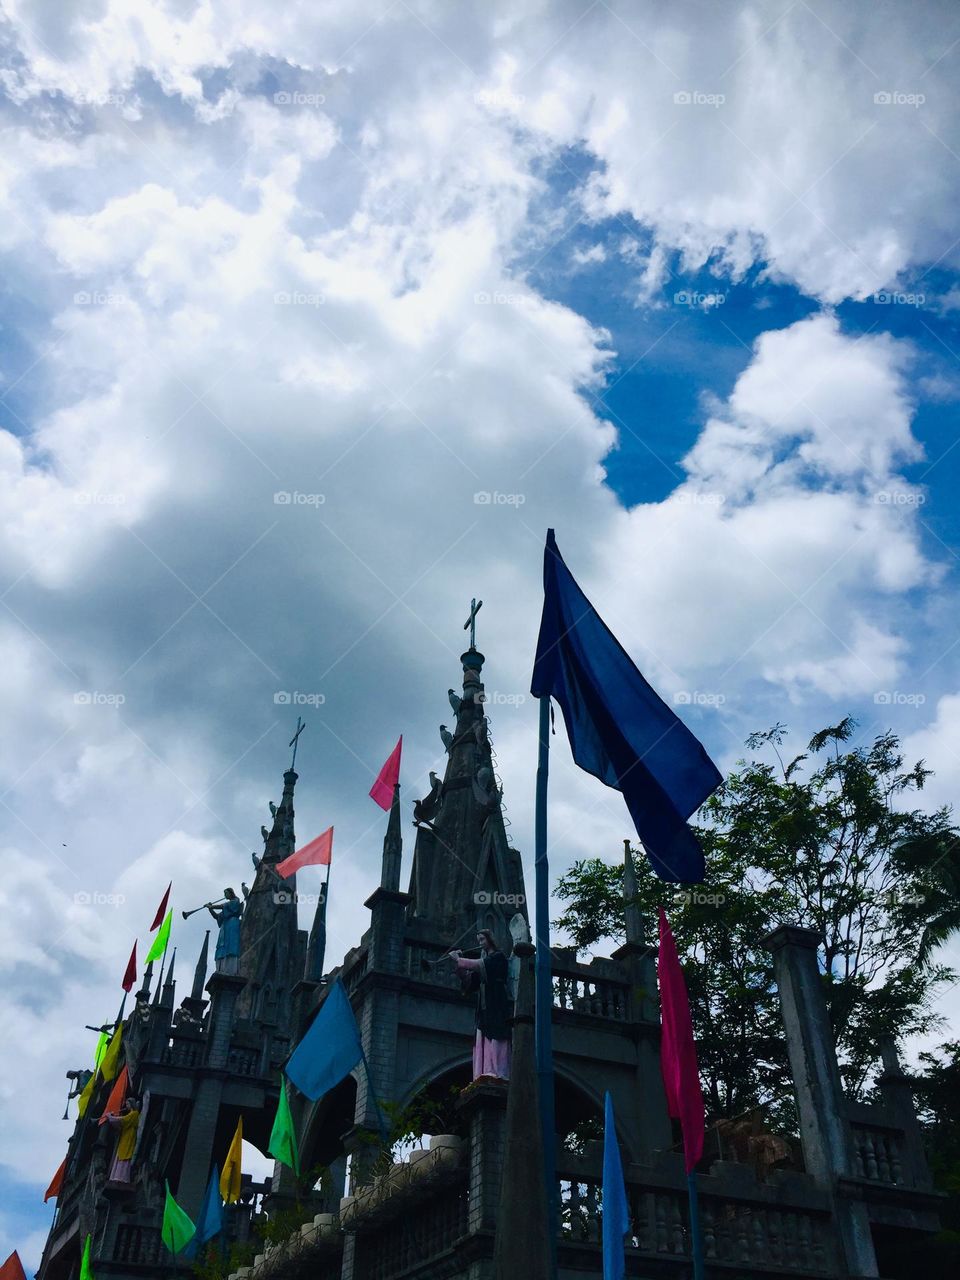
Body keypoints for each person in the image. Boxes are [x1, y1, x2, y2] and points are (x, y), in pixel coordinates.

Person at [449, 929, 511, 1081]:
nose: (481, 943)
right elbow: (471, 981)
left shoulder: (498, 957)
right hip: (484, 1006)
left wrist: (460, 960)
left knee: (497, 1034)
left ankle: (499, 1071)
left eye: (483, 939)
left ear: (490, 939)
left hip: (497, 1002)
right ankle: (485, 1070)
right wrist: (460, 966)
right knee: (483, 1035)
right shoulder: (485, 959)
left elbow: (482, 965)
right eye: (479, 940)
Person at [209, 887, 243, 975]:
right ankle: (221, 969)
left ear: (231, 893)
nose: (225, 895)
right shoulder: (226, 910)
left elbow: (223, 906)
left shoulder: (235, 901)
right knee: (221, 946)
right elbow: (217, 916)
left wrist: (211, 906)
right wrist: (210, 909)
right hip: (225, 926)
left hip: (232, 925)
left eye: (226, 893)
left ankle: (230, 969)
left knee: (231, 946)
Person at [105, 1099, 141, 1184]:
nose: (126, 1106)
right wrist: (113, 1117)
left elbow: (123, 1120)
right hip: (125, 1137)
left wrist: (111, 1117)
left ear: (132, 1104)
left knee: (125, 1156)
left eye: (128, 1104)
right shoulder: (131, 1114)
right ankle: (116, 1176)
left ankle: (122, 1177)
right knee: (121, 1155)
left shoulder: (134, 1114)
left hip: (129, 1137)